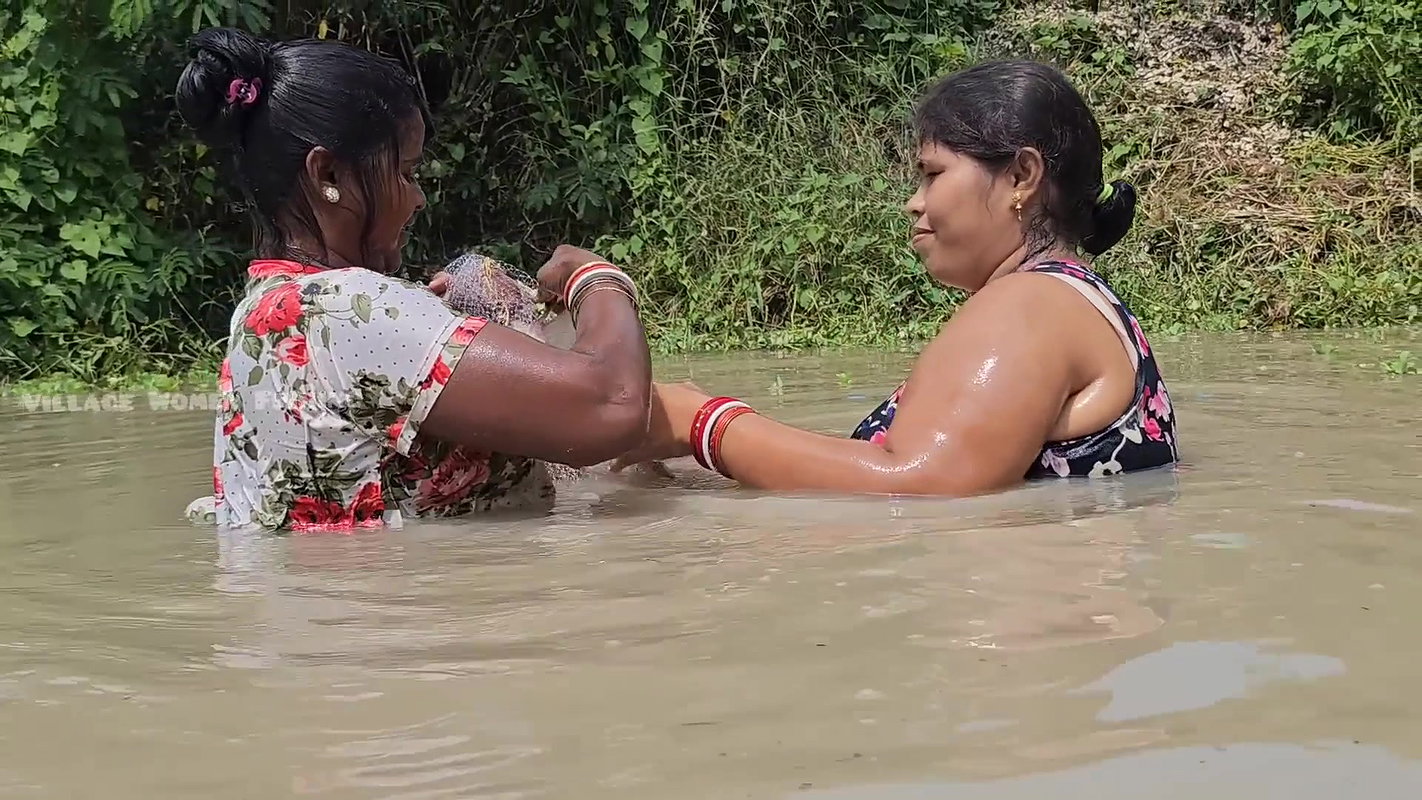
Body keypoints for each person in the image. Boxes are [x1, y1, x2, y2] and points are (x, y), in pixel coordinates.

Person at [613, 60, 1178, 495]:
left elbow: (921, 484)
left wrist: (703, 424)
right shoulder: (1075, 298)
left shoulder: (1029, 304)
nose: (914, 202)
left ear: (1021, 176)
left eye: (933, 173)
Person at [177, 28, 650, 531]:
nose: (418, 198)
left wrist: (432, 324)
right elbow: (614, 404)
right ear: (328, 174)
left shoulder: (261, 312)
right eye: (405, 172)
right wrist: (594, 277)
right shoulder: (353, 308)